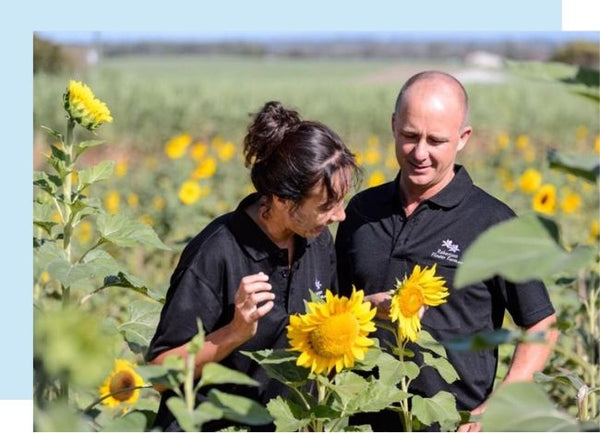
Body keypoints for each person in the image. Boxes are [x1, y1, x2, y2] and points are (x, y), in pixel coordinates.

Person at [335, 71, 558, 432]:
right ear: (393, 125)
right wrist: (365, 312)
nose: (419, 153)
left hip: (454, 424)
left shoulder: (494, 223)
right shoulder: (360, 212)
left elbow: (541, 323)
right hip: (364, 421)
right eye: (409, 136)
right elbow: (337, 305)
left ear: (462, 138)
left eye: (435, 140)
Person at [147, 100, 360, 431]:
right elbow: (159, 373)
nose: (340, 216)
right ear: (281, 200)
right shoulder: (215, 252)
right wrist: (234, 332)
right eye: (326, 205)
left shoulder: (317, 241)